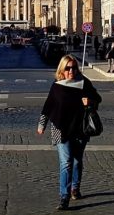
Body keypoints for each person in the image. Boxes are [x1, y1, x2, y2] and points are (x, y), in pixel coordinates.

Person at [37, 55, 102, 211]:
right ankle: (64, 197)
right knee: (66, 163)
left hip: (80, 129)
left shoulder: (84, 83)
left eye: (74, 68)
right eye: (68, 68)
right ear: (62, 70)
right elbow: (48, 106)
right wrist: (41, 124)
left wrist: (90, 102)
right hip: (61, 129)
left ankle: (75, 188)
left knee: (77, 161)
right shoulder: (57, 86)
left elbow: (97, 98)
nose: (71, 71)